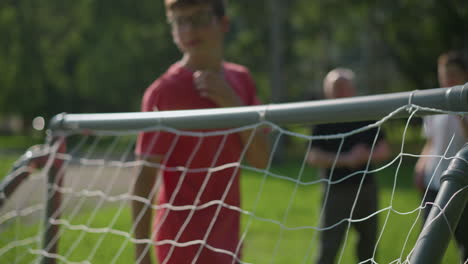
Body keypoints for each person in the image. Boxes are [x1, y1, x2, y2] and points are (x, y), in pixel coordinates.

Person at [132, 0, 269, 263]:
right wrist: (142, 255)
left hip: (227, 243)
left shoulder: (241, 79)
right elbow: (144, 178)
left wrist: (233, 104)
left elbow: (261, 160)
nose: (188, 30)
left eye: (199, 18)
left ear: (224, 23)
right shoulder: (164, 91)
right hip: (178, 244)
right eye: (179, 22)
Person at [307, 68, 391, 264]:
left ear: (353, 88)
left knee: (368, 246)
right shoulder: (322, 117)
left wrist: (365, 156)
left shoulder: (366, 114)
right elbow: (313, 156)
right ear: (326, 90)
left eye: (343, 86)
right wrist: (346, 159)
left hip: (366, 188)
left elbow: (385, 149)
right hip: (335, 190)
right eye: (334, 87)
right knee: (329, 247)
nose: (339, 91)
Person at [414, 50, 468, 263]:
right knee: (427, 241)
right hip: (433, 182)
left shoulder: (464, 102)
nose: (447, 78)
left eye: (453, 73)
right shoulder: (434, 102)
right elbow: (431, 141)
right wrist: (421, 166)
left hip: (462, 183)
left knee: (465, 241)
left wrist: (459, 110)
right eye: (443, 74)